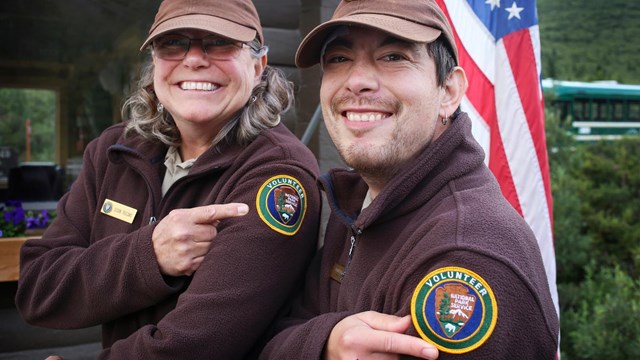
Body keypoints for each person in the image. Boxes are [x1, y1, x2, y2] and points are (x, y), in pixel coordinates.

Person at [15, 0, 321, 358]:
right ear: (155, 63)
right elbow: (38, 287)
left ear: (258, 66)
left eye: (219, 41)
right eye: (172, 42)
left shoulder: (278, 174)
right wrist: (150, 255)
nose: (193, 59)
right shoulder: (114, 152)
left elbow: (195, 346)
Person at [259, 0, 560, 359]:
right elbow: (274, 333)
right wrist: (326, 343)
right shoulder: (358, 205)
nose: (357, 81)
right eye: (338, 59)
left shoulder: (466, 256)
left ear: (448, 92)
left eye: (393, 57)